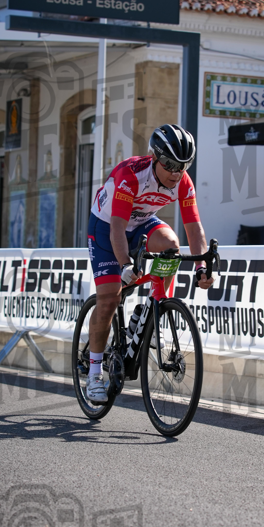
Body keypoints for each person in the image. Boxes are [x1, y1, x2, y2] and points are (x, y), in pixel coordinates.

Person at [86, 123, 213, 403]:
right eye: (169, 164)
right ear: (154, 158)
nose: (175, 172)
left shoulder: (183, 181)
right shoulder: (130, 176)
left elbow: (194, 228)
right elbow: (117, 229)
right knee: (108, 299)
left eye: (183, 165)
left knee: (171, 247)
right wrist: (126, 265)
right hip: (107, 227)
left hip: (141, 223)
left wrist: (202, 268)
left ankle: (153, 312)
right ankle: (94, 373)